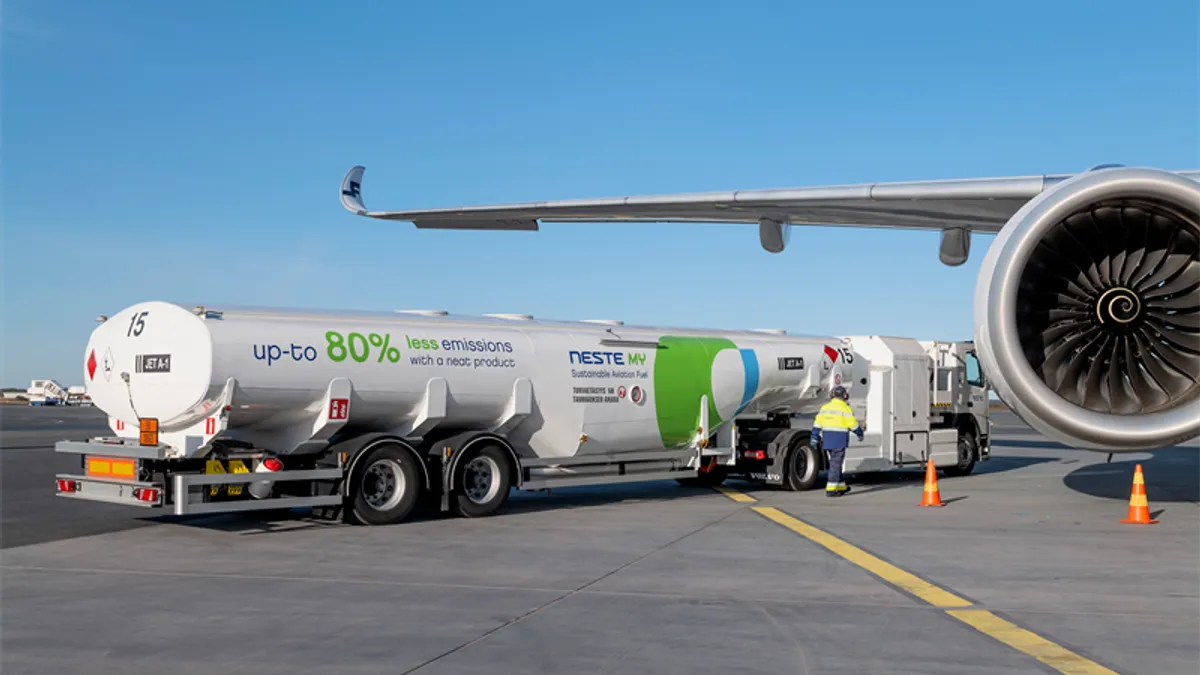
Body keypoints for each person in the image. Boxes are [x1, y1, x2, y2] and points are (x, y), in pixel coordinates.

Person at [811, 385, 864, 497]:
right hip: (839, 440)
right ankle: (830, 489)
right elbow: (852, 424)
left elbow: (817, 423)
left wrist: (814, 437)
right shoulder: (845, 408)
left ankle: (841, 486)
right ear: (845, 396)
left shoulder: (825, 408)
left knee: (835, 463)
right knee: (836, 464)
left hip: (827, 440)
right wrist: (860, 433)